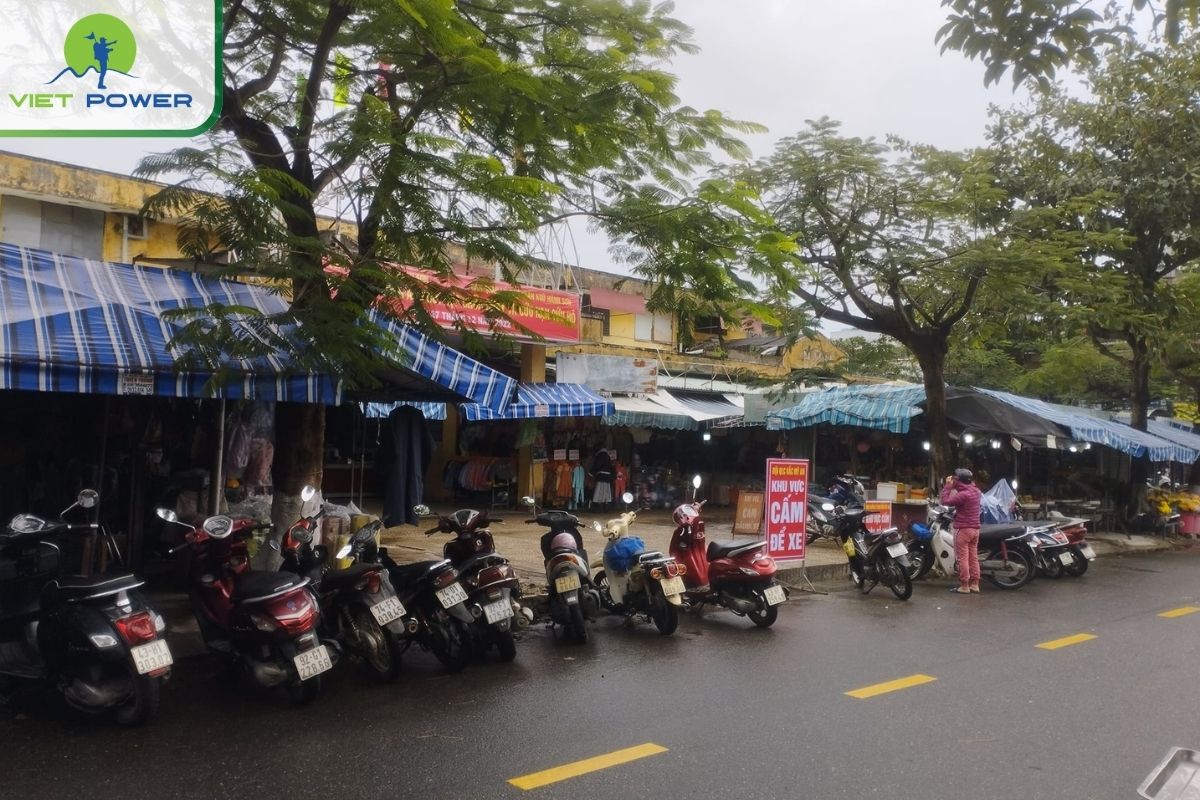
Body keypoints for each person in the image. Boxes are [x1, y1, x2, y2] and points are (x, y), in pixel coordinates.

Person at [941, 468, 982, 594]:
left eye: (956, 477)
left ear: (960, 480)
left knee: (962, 558)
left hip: (963, 529)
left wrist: (947, 486)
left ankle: (964, 586)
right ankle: (975, 584)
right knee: (973, 557)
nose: (954, 479)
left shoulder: (963, 495)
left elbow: (945, 501)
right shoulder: (976, 491)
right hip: (975, 530)